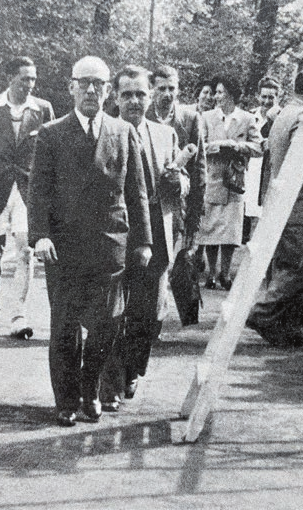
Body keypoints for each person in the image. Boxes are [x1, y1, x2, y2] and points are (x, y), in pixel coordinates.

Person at [27, 56, 153, 427]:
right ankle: (66, 400)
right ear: (71, 87)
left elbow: (138, 193)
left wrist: (143, 241)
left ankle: (90, 389)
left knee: (106, 327)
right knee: (65, 327)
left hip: (110, 246)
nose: (91, 90)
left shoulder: (121, 131)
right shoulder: (52, 134)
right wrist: (40, 236)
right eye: (84, 83)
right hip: (65, 249)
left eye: (99, 84)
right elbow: (39, 193)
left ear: (108, 90)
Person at [99, 65, 187, 412]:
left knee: (148, 315)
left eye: (140, 94)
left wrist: (180, 184)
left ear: (150, 97)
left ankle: (133, 367)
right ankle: (111, 382)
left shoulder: (165, 135)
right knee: (112, 312)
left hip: (158, 235)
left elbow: (181, 183)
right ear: (115, 97)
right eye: (127, 94)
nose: (134, 101)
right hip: (117, 234)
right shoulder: (104, 133)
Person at [0, 56, 55, 338]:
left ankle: (19, 313)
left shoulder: (42, 109)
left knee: (26, 250)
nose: (29, 84)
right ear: (10, 79)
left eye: (32, 79)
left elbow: (52, 150)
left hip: (28, 190)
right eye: (23, 79)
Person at [245, 69, 303, 348]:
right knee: (302, 266)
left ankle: (289, 328)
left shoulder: (283, 114)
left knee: (290, 263)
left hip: (285, 203)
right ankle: (262, 312)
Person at [195, 75, 262, 290]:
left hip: (235, 182)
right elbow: (199, 146)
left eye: (220, 92)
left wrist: (237, 146)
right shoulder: (206, 117)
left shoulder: (247, 118)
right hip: (213, 179)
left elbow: (259, 147)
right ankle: (211, 274)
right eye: (215, 92)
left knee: (231, 233)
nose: (216, 96)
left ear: (232, 94)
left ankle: (226, 273)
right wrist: (217, 146)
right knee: (211, 230)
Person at [146, 65, 207, 249]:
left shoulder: (190, 120)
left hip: (175, 207)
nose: (167, 94)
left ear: (177, 90)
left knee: (167, 263)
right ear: (152, 90)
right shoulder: (141, 116)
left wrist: (193, 220)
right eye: (161, 88)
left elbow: (198, 170)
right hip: (145, 204)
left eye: (171, 88)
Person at [244, 76, 282, 242]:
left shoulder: (282, 117)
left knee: (266, 214)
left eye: (271, 97)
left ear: (277, 97)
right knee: (249, 210)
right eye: (264, 97)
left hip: (269, 171)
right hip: (250, 169)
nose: (267, 101)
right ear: (258, 96)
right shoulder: (249, 116)